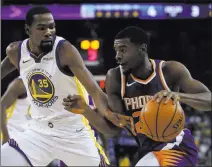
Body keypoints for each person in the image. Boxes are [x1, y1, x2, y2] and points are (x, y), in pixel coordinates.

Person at [63, 26, 211, 166]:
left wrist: (179, 96)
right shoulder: (115, 78)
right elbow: (113, 131)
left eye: (123, 50)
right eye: (116, 51)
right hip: (148, 151)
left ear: (142, 49)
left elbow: (208, 99)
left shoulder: (170, 70)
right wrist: (86, 110)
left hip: (178, 147)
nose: (117, 56)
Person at [1, 6, 115, 166]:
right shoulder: (16, 52)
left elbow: (95, 91)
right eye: (41, 28)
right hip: (37, 133)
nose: (48, 31)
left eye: (51, 26)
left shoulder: (64, 50)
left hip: (73, 132)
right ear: (28, 29)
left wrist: (110, 115)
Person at [1, 77, 31, 145]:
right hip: (5, 133)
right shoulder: (21, 84)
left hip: (22, 138)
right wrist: (5, 136)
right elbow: (2, 105)